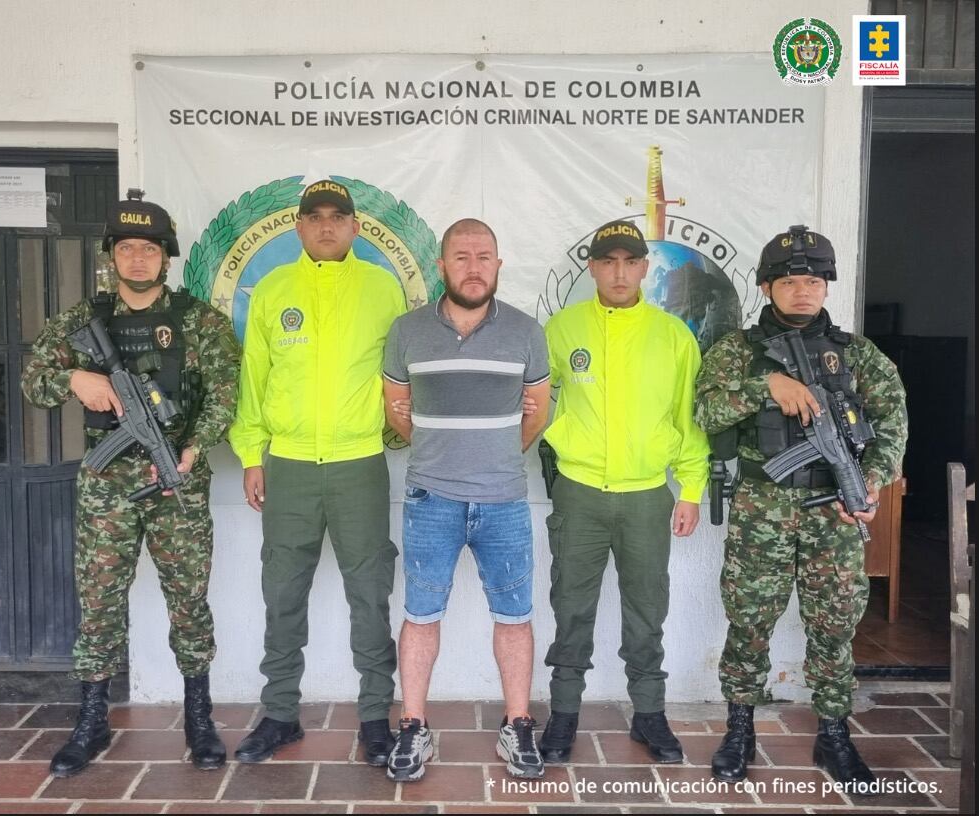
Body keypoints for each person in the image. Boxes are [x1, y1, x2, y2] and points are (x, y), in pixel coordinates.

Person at [22, 189, 241, 776]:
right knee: (99, 604)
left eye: (149, 249)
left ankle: (199, 717)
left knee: (188, 602)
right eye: (127, 249)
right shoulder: (79, 321)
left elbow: (225, 397)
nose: (138, 259)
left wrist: (190, 452)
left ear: (166, 257)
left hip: (178, 486)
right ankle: (92, 721)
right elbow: (34, 381)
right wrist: (77, 379)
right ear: (111, 256)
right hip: (105, 490)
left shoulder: (199, 322)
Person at [694, 225, 907, 793]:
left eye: (813, 281)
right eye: (789, 281)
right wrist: (769, 385)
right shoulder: (736, 351)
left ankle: (833, 732)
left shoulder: (859, 356)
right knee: (749, 622)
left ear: (827, 288)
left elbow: (893, 426)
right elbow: (707, 411)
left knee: (834, 625)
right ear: (767, 287)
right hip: (762, 506)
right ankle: (740, 728)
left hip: (833, 511)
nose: (803, 291)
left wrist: (871, 481)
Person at [229, 179, 405, 768]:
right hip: (291, 466)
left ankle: (376, 718)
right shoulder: (274, 289)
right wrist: (253, 454)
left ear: (355, 227)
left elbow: (403, 380)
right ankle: (279, 715)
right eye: (315, 217)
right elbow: (254, 378)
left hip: (359, 464)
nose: (327, 226)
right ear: (298, 228)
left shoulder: (383, 289)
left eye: (338, 216)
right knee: (282, 593)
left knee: (369, 593)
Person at [382, 218, 551, 781]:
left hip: (504, 500)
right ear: (441, 265)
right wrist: (441, 450)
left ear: (499, 265)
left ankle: (518, 724)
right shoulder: (407, 331)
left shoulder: (527, 332)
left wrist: (496, 453)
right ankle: (413, 728)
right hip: (430, 498)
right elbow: (397, 409)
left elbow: (537, 411)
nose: (473, 266)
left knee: (516, 616)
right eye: (461, 256)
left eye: (484, 256)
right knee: (420, 614)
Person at [537, 219, 709, 765]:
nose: (618, 272)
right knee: (571, 606)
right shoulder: (560, 330)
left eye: (628, 262)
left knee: (646, 609)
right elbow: (537, 403)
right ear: (591, 267)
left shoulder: (673, 336)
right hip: (581, 493)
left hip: (646, 496)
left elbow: (689, 419)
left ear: (643, 267)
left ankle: (650, 716)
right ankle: (564, 716)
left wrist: (691, 490)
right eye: (607, 261)